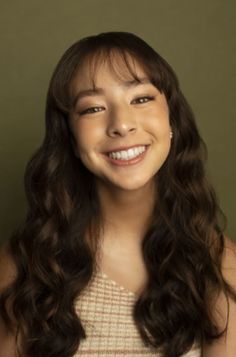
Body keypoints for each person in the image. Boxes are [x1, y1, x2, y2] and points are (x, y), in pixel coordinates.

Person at [0, 31, 236, 357]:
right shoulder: (28, 262)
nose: (121, 124)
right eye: (92, 108)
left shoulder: (219, 264)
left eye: (141, 99)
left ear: (171, 119)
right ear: (70, 137)